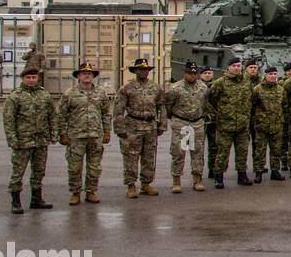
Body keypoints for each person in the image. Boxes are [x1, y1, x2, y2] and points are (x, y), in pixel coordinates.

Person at [55, 59, 112, 206]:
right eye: (84, 73)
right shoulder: (70, 94)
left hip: (95, 136)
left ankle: (91, 191)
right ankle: (75, 192)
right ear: (78, 76)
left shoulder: (101, 93)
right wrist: (62, 134)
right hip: (76, 136)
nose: (87, 76)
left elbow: (106, 113)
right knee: (74, 167)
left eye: (89, 73)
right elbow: (61, 115)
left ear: (93, 76)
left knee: (94, 167)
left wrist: (107, 131)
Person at [3, 65, 54, 213]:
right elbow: (8, 120)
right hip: (23, 141)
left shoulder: (44, 95)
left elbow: (52, 115)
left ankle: (36, 199)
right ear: (23, 79)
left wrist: (53, 133)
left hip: (41, 140)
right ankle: (16, 201)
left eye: (34, 77)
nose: (31, 80)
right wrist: (12, 139)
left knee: (39, 171)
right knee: (18, 172)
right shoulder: (15, 96)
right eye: (28, 78)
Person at [115, 56, 164, 198]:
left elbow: (161, 106)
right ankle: (131, 185)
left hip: (150, 126)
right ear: (135, 71)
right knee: (131, 157)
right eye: (141, 69)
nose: (144, 72)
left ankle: (146, 184)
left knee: (149, 157)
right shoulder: (127, 88)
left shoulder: (155, 87)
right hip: (132, 125)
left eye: (146, 70)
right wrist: (119, 129)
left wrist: (162, 125)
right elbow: (118, 110)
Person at [164, 60, 209, 192]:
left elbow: (205, 104)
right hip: (181, 124)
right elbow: (168, 106)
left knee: (198, 153)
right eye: (190, 73)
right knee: (179, 152)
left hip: (197, 123)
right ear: (185, 73)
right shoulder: (175, 88)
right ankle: (176, 181)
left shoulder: (203, 88)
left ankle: (197, 180)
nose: (192, 76)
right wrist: (175, 118)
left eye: (195, 73)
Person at [209, 56, 252, 188]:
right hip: (225, 125)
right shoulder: (220, 83)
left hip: (242, 125)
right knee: (222, 152)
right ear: (228, 67)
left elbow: (251, 98)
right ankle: (219, 176)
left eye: (239, 66)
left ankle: (242, 175)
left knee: (242, 152)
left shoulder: (246, 81)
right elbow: (211, 99)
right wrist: (221, 113)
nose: (237, 68)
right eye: (234, 66)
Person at [251, 65, 287, 182]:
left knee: (276, 150)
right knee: (260, 150)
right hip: (262, 125)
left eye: (275, 74)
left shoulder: (281, 89)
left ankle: (275, 171)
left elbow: (285, 105)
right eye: (270, 74)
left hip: (277, 124)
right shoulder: (257, 89)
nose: (273, 76)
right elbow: (251, 105)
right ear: (265, 75)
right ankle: (258, 172)